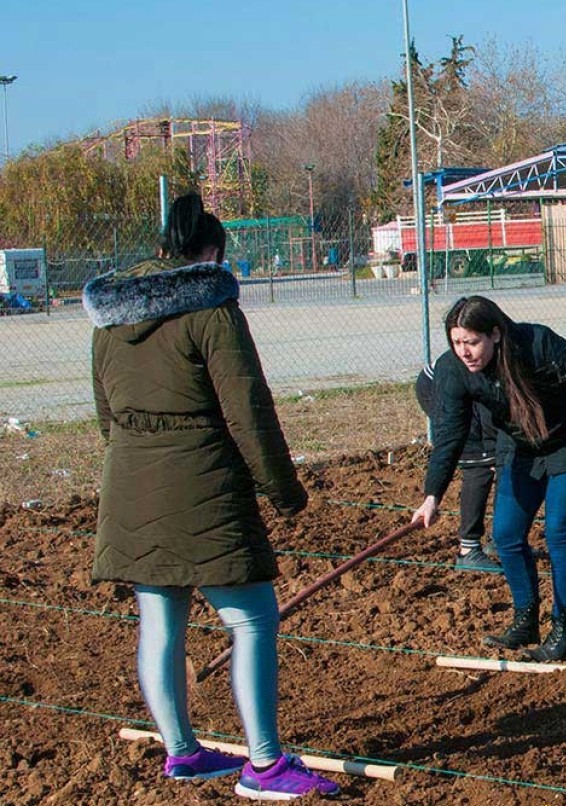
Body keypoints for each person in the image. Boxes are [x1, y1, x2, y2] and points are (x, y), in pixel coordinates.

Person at [83, 193, 338, 800]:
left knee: (159, 619)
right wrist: (284, 491)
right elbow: (248, 410)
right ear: (212, 255)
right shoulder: (215, 311)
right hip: (206, 484)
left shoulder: (110, 320)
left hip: (130, 483)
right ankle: (267, 766)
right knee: (252, 618)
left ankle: (182, 752)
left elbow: (104, 417)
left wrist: (137, 463)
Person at [413, 296, 566, 661]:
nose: (464, 351)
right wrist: (432, 494)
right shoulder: (453, 370)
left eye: (472, 342)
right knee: (506, 535)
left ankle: (565, 630)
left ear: (495, 334)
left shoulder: (537, 344)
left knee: (558, 531)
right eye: (456, 342)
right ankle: (526, 618)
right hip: (519, 445)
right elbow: (450, 434)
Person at [415, 361, 501, 572]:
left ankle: (502, 540)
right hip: (440, 385)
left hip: (478, 389)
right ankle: (468, 550)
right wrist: (432, 497)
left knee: (506, 460)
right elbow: (449, 442)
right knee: (479, 464)